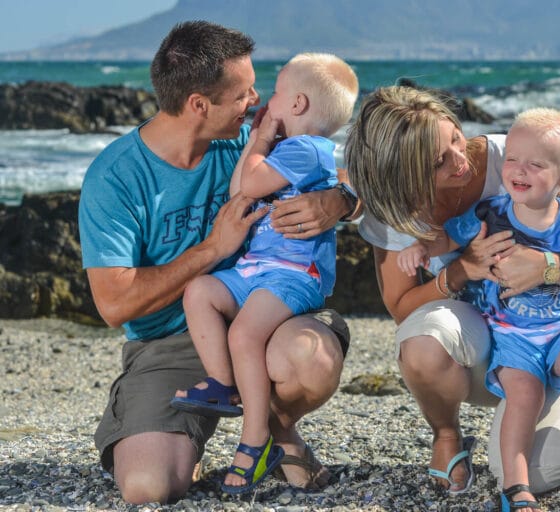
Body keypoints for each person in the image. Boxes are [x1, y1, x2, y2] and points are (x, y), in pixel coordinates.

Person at [78, 22, 359, 504]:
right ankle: (193, 432)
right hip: (168, 342)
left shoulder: (249, 141)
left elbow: (346, 165)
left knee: (310, 360)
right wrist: (211, 248)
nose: (256, 102)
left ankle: (275, 434)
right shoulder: (117, 176)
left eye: (256, 88)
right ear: (198, 105)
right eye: (243, 94)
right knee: (148, 486)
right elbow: (113, 304)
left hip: (264, 312)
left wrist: (341, 200)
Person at [344, 86, 560, 497]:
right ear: (403, 173)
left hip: (559, 340)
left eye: (456, 139)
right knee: (422, 342)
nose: (459, 161)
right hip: (492, 343)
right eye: (438, 161)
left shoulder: (518, 158)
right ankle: (447, 437)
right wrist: (463, 269)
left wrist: (546, 267)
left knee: (542, 475)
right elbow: (402, 309)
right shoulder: (394, 209)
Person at [170, 52, 359, 495]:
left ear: (296, 105)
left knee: (244, 336)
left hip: (292, 274)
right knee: (200, 291)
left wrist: (258, 142)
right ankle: (223, 384)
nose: (263, 100)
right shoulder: (286, 150)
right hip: (257, 269)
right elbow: (242, 189)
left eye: (273, 93)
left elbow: (249, 186)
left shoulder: (306, 150)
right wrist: (262, 145)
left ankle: (254, 440)